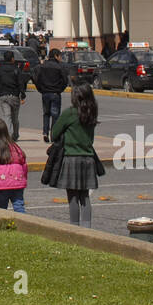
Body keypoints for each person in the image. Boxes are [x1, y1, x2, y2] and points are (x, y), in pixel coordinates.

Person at [51, 83, 99, 229]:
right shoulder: (92, 113)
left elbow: (54, 134)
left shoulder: (69, 113)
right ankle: (87, 229)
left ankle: (74, 228)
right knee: (85, 196)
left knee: (72, 197)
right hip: (88, 158)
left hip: (71, 157)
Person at [33, 47, 68, 142]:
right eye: (60, 56)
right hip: (55, 93)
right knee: (55, 115)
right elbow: (65, 80)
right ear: (56, 56)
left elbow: (36, 78)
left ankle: (45, 133)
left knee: (46, 114)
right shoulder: (60, 67)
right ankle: (54, 134)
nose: (60, 58)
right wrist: (60, 89)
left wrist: (40, 89)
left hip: (45, 93)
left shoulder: (42, 66)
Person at [0, 50, 28, 141]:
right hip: (14, 96)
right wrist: (22, 94)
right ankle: (15, 135)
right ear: (12, 59)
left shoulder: (0, 70)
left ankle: (8, 135)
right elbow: (21, 83)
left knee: (6, 116)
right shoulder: (16, 69)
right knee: (15, 118)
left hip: (3, 95)